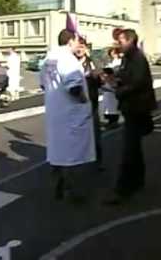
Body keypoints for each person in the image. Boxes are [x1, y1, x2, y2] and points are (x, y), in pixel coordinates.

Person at [39, 29, 95, 204]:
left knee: (58, 152)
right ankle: (73, 192)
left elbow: (42, 84)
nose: (78, 44)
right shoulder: (68, 60)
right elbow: (74, 87)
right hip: (71, 113)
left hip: (55, 112)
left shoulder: (48, 59)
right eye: (77, 41)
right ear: (71, 41)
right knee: (73, 154)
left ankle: (58, 186)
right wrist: (85, 101)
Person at [104, 29, 157, 205]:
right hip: (132, 108)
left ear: (129, 40)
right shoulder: (128, 57)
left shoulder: (137, 57)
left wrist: (118, 90)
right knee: (134, 148)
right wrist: (114, 78)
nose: (118, 44)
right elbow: (127, 76)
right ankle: (137, 182)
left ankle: (122, 190)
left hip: (137, 108)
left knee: (129, 150)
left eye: (120, 41)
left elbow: (138, 82)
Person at [75, 37, 104, 171]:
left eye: (82, 47)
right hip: (75, 104)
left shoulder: (92, 62)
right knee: (76, 135)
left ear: (86, 48)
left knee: (94, 134)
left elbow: (101, 81)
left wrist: (97, 76)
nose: (79, 49)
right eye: (78, 46)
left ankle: (98, 161)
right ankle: (77, 160)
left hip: (91, 103)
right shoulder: (70, 62)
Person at [101, 47, 122, 128]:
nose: (113, 55)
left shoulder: (120, 62)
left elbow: (118, 72)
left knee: (113, 105)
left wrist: (112, 75)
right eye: (111, 53)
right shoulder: (111, 62)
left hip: (114, 85)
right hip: (107, 85)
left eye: (114, 53)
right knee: (107, 105)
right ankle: (110, 120)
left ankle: (114, 121)